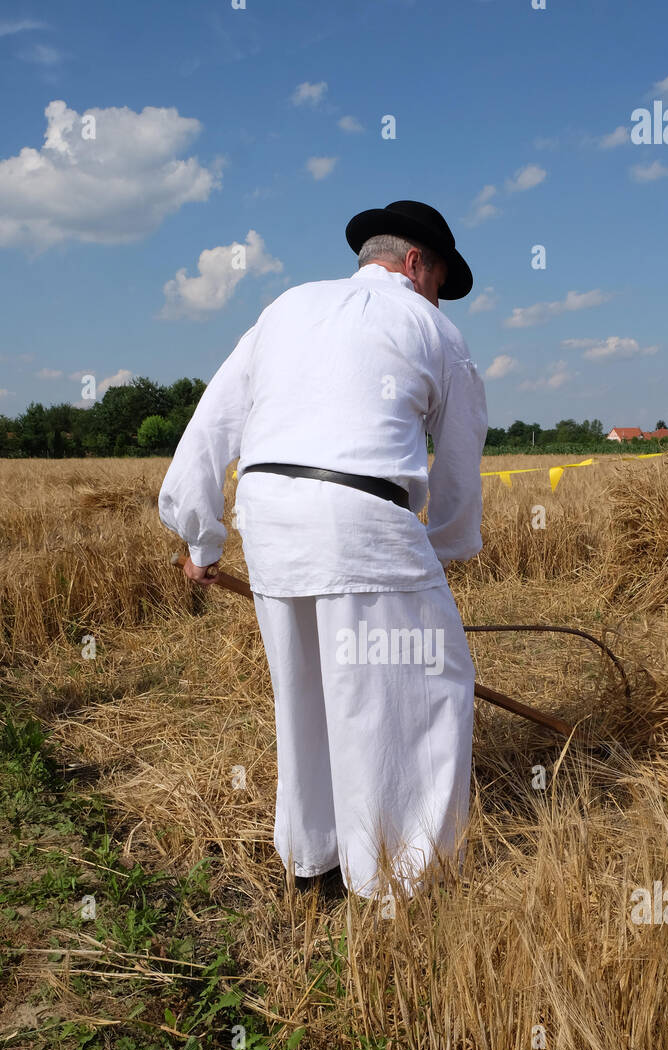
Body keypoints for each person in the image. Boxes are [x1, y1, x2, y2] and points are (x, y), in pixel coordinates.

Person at [158, 200, 488, 899]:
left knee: (306, 689)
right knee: (426, 687)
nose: (437, 295)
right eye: (438, 279)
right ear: (415, 263)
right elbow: (458, 462)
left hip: (268, 511)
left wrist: (201, 536)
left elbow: (213, 418)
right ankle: (401, 883)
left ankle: (314, 866)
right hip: (362, 512)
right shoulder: (434, 327)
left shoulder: (285, 308)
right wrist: (442, 547)